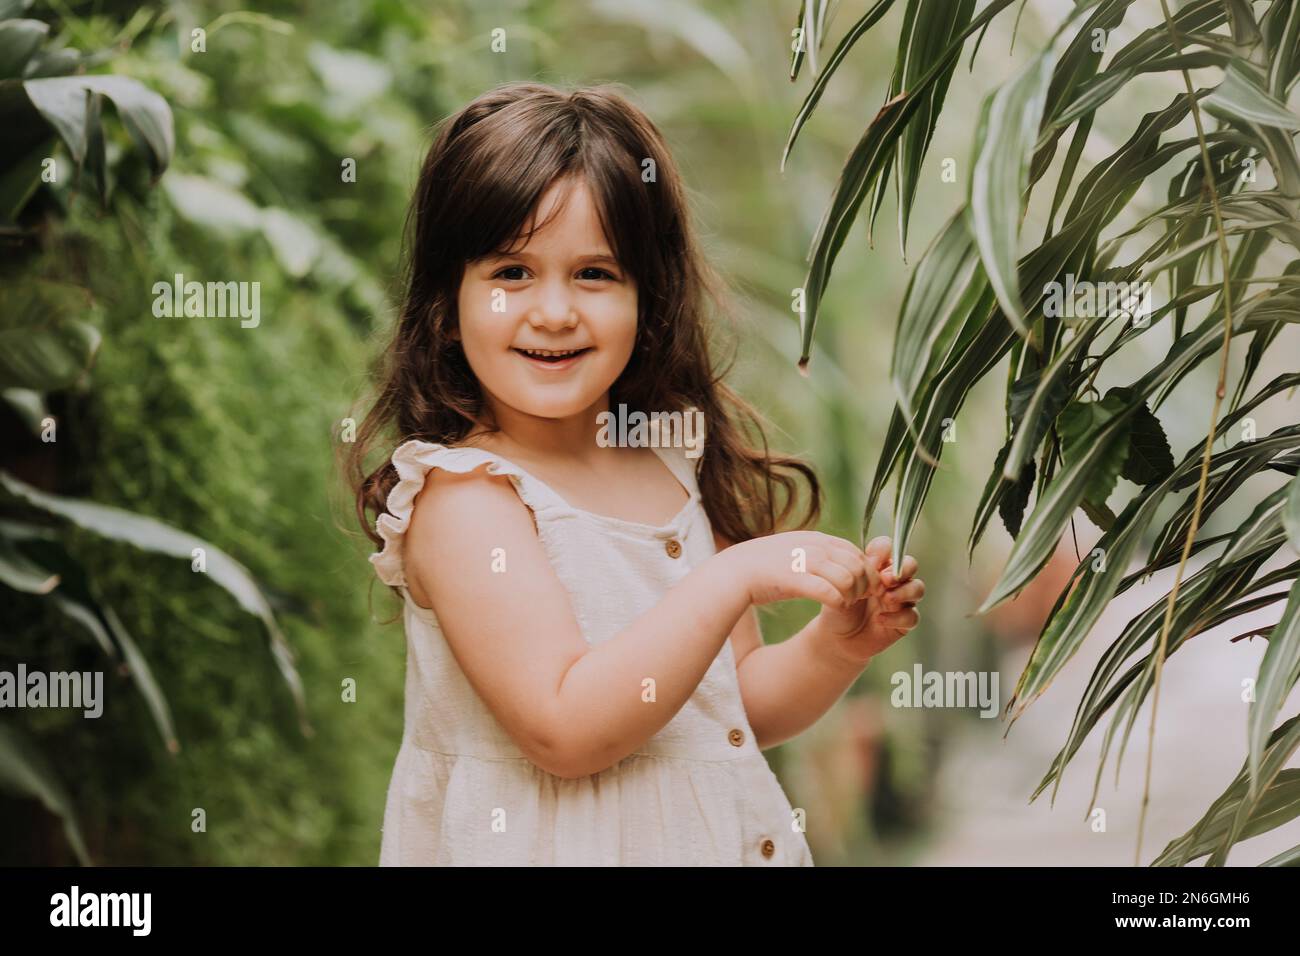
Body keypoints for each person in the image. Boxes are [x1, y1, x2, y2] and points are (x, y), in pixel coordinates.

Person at [348, 82, 925, 865]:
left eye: (594, 274)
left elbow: (729, 707)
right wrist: (732, 580)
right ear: (448, 305)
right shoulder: (464, 498)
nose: (554, 312)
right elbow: (565, 729)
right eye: (512, 273)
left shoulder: (670, 461)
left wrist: (838, 646)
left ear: (647, 299)